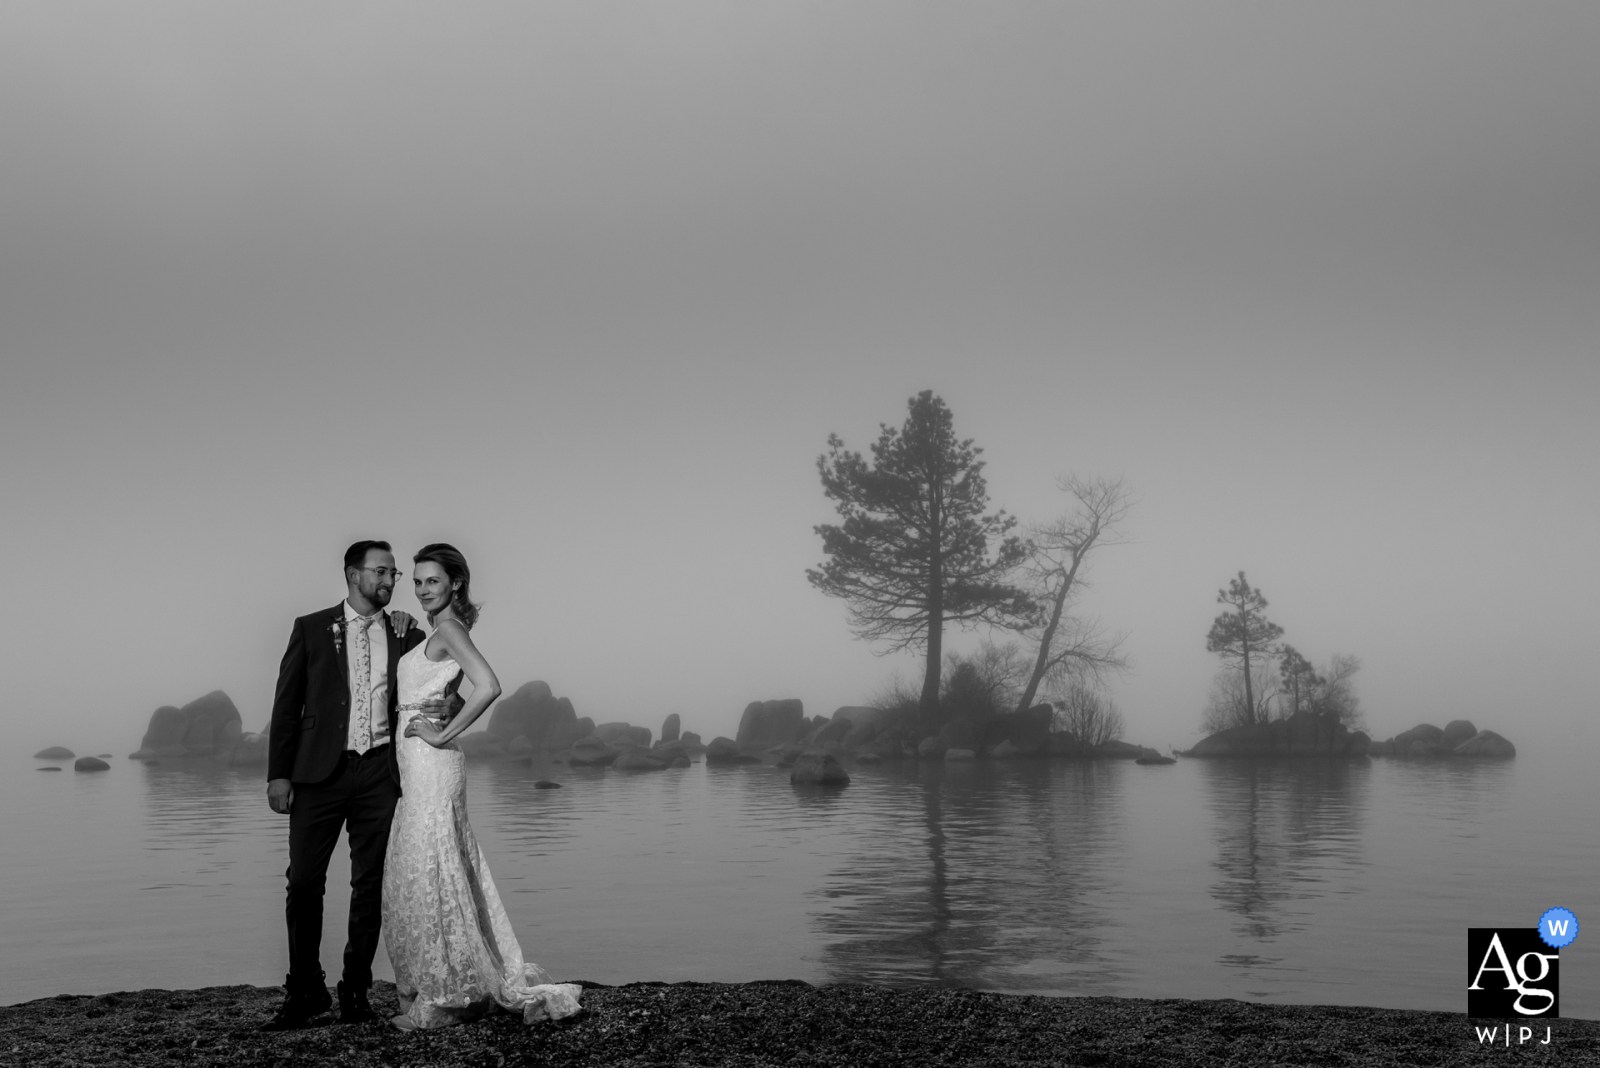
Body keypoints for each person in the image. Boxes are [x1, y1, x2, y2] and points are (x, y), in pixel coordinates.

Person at [382, 542, 582, 1030]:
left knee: (432, 870)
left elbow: (489, 685)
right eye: (417, 580)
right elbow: (445, 688)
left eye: (432, 580)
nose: (422, 588)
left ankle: (442, 994)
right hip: (419, 765)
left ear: (455, 583)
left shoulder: (449, 629)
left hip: (432, 762)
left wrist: (443, 732)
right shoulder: (442, 630)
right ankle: (437, 981)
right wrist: (441, 712)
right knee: (425, 868)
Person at [264, 540, 445, 1029]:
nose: (390, 581)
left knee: (370, 885)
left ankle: (355, 990)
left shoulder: (405, 633)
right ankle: (304, 990)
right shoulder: (310, 628)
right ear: (352, 574)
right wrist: (278, 773)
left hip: (379, 774)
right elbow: (287, 706)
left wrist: (443, 713)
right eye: (381, 572)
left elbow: (434, 688)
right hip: (316, 774)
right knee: (303, 882)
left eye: (394, 575)